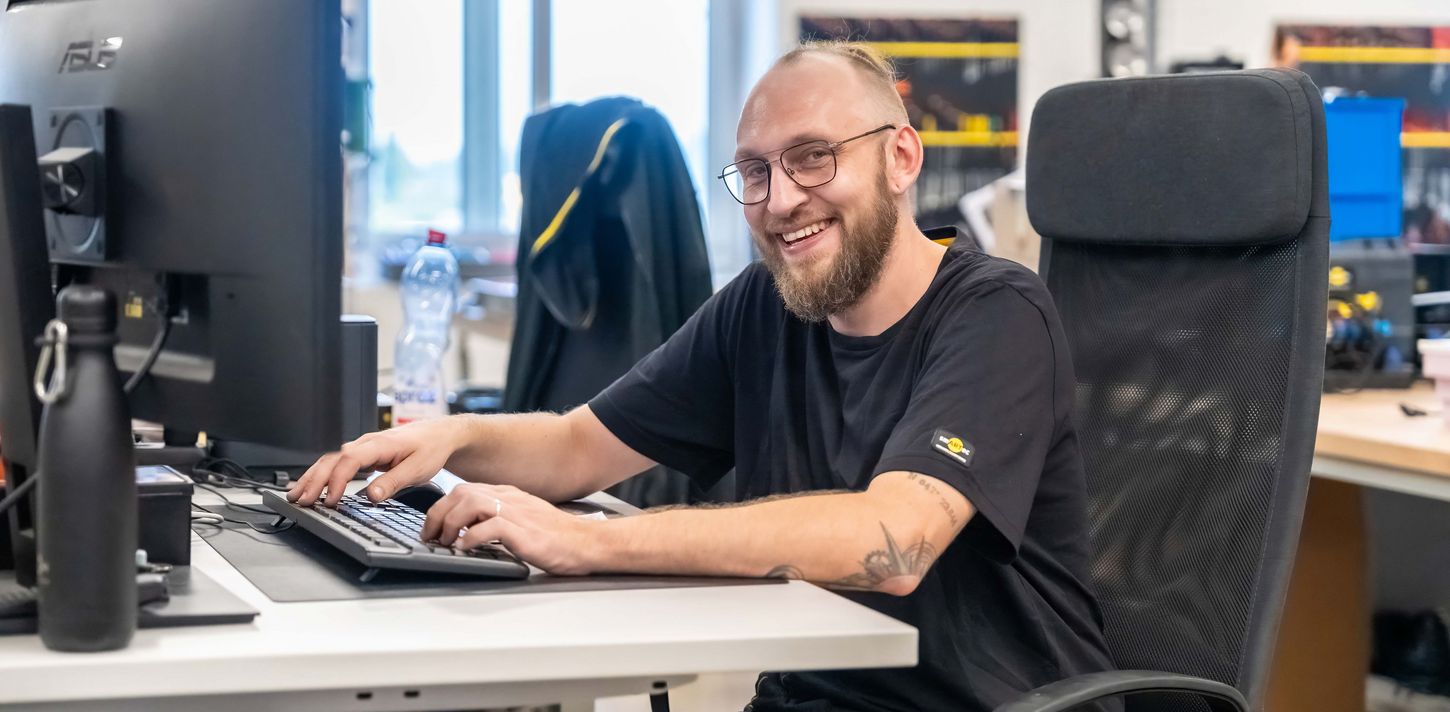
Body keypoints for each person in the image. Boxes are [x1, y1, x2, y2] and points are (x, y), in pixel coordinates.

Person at [290, 41, 1115, 711]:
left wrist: (589, 541)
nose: (780, 200)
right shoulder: (765, 306)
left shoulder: (997, 312)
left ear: (901, 157)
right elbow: (578, 446)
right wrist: (448, 441)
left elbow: (892, 542)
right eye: (755, 172)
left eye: (813, 158)